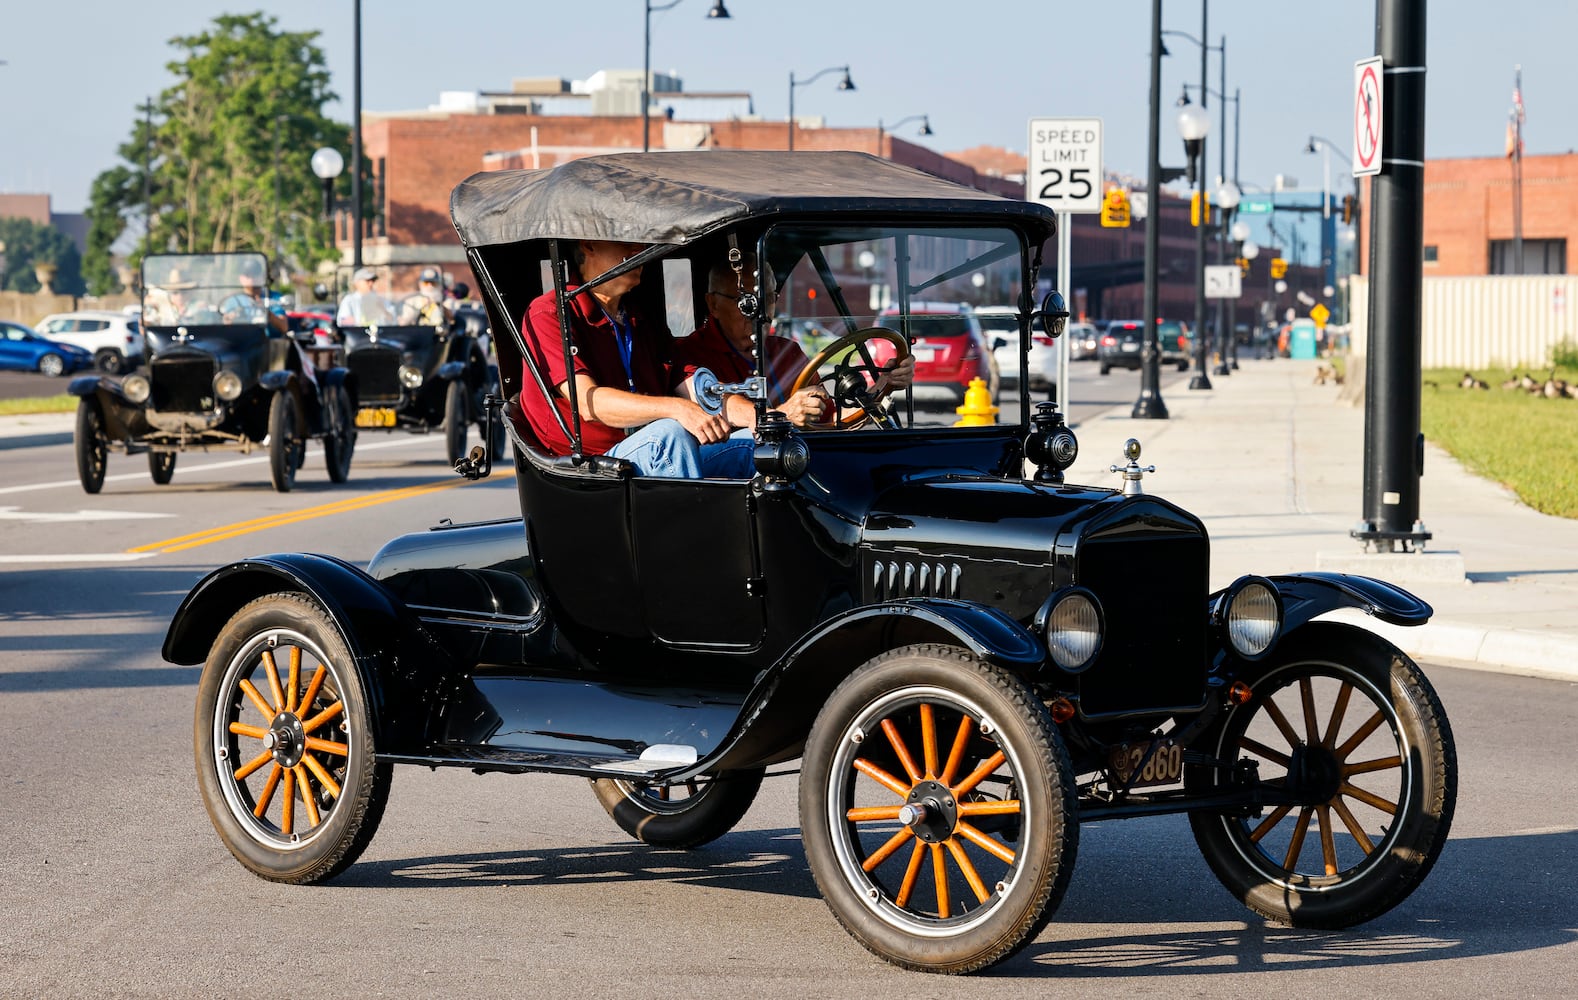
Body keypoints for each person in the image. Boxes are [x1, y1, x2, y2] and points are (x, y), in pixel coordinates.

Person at [517, 239, 754, 479]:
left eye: (639, 241)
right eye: (625, 241)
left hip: (646, 452)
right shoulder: (550, 313)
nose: (638, 250)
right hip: (587, 468)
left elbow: (697, 390)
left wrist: (761, 418)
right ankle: (689, 516)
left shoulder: (640, 317)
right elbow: (589, 404)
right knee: (669, 436)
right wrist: (678, 409)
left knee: (760, 447)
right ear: (589, 245)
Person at [674, 254, 914, 429]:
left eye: (767, 299)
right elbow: (720, 403)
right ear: (713, 304)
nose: (760, 313)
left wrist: (885, 383)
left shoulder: (786, 351)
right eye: (745, 302)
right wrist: (782, 416)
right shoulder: (689, 353)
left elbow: (832, 421)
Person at [220, 268, 288, 334]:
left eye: (255, 274)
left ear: (262, 276)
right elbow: (226, 327)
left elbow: (284, 327)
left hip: (268, 342)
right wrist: (230, 320)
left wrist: (265, 311)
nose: (252, 278)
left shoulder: (273, 297)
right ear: (241, 278)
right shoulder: (233, 300)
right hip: (243, 342)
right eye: (248, 275)